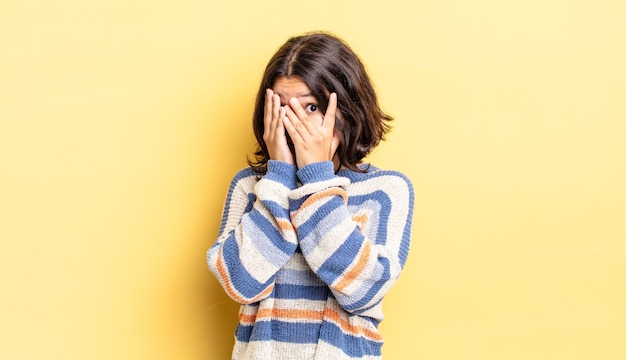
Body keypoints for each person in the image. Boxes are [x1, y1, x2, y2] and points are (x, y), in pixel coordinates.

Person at [207, 31, 414, 360]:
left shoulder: (385, 192)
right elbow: (240, 282)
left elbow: (362, 290)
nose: (293, 122)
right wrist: (279, 177)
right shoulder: (252, 187)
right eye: (281, 108)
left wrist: (316, 177)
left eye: (312, 106)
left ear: (346, 108)